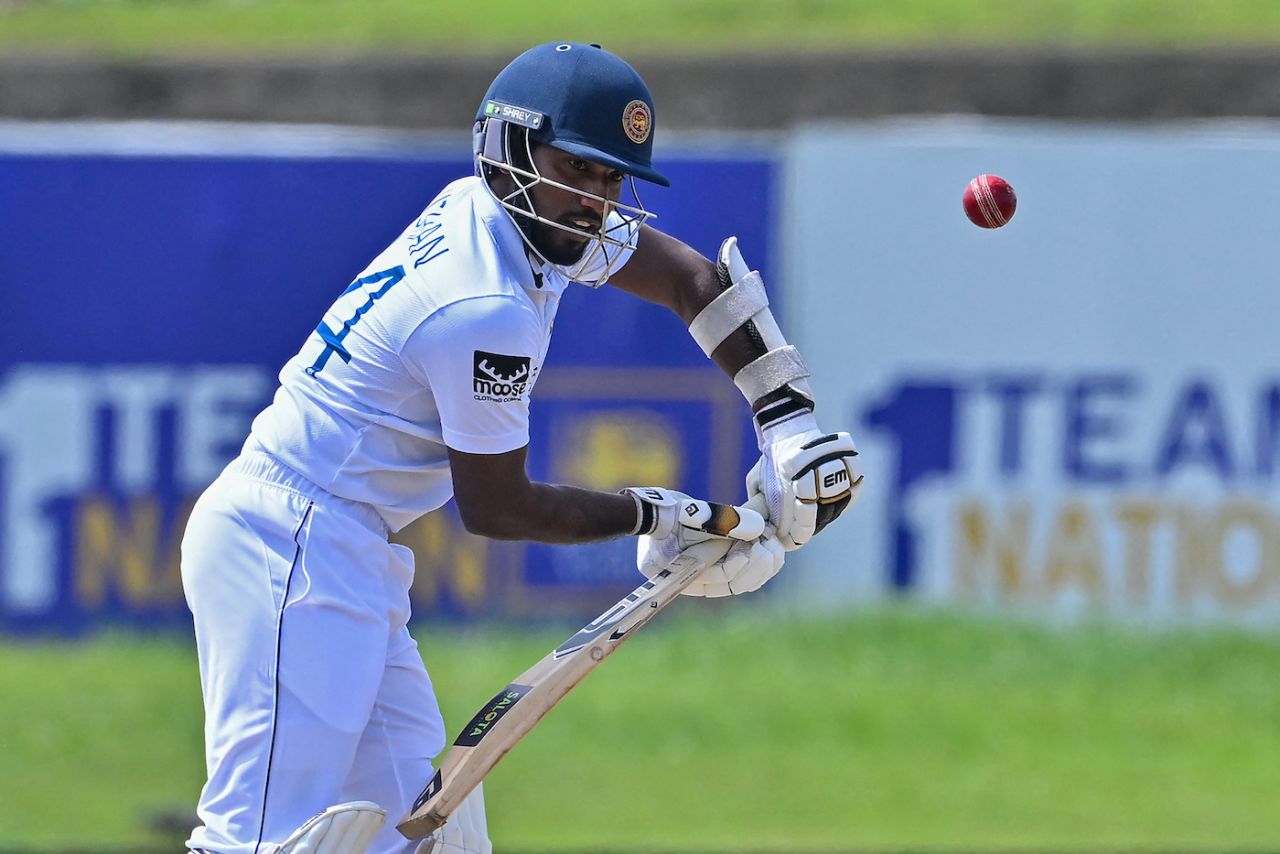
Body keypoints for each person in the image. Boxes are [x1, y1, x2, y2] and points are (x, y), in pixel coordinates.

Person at [179, 41, 862, 854]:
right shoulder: (483, 306)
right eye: (577, 170)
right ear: (508, 149)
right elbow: (499, 507)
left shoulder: (505, 211)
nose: (594, 202)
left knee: (427, 839)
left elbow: (690, 281)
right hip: (287, 548)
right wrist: (675, 512)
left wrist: (787, 419)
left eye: (611, 179)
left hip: (345, 548)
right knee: (261, 842)